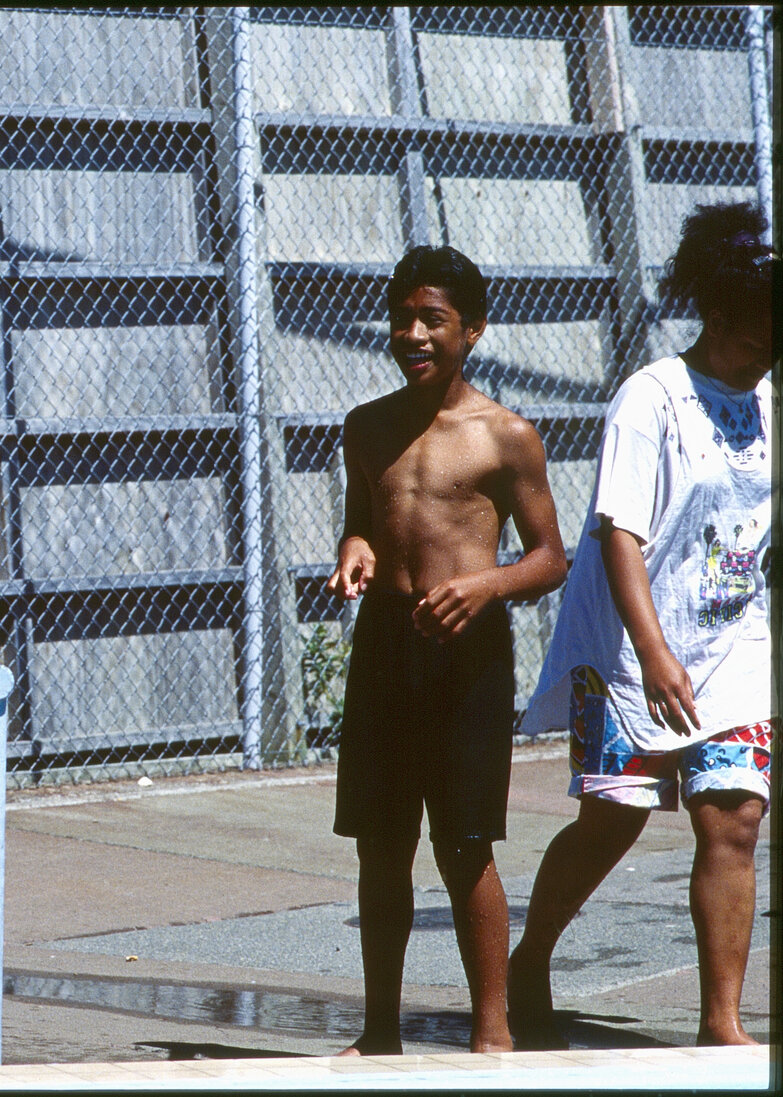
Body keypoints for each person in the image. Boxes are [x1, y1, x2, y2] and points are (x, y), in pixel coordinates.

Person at [508, 202, 774, 1050]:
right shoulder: (650, 397)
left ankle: (720, 1021)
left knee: (732, 815)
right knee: (612, 818)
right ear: (724, 312)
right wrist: (654, 653)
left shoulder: (771, 402)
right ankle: (529, 957)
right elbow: (616, 531)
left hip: (730, 643)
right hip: (630, 646)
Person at [325, 245, 567, 1054]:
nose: (413, 333)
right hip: (386, 644)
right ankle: (378, 1030)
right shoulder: (366, 426)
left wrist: (485, 586)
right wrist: (355, 546)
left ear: (472, 330)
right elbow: (364, 515)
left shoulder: (505, 436)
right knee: (381, 844)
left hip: (466, 653)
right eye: (402, 317)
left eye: (432, 319)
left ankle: (491, 1029)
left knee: (465, 844)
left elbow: (548, 557)